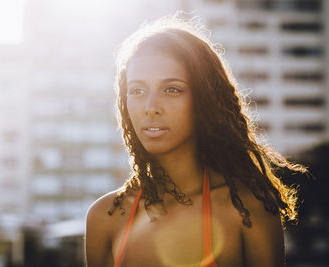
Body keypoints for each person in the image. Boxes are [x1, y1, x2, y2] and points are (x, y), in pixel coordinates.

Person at [85, 13, 307, 267]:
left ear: (204, 100)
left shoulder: (246, 208)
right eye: (137, 90)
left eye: (172, 89)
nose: (151, 107)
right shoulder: (106, 216)